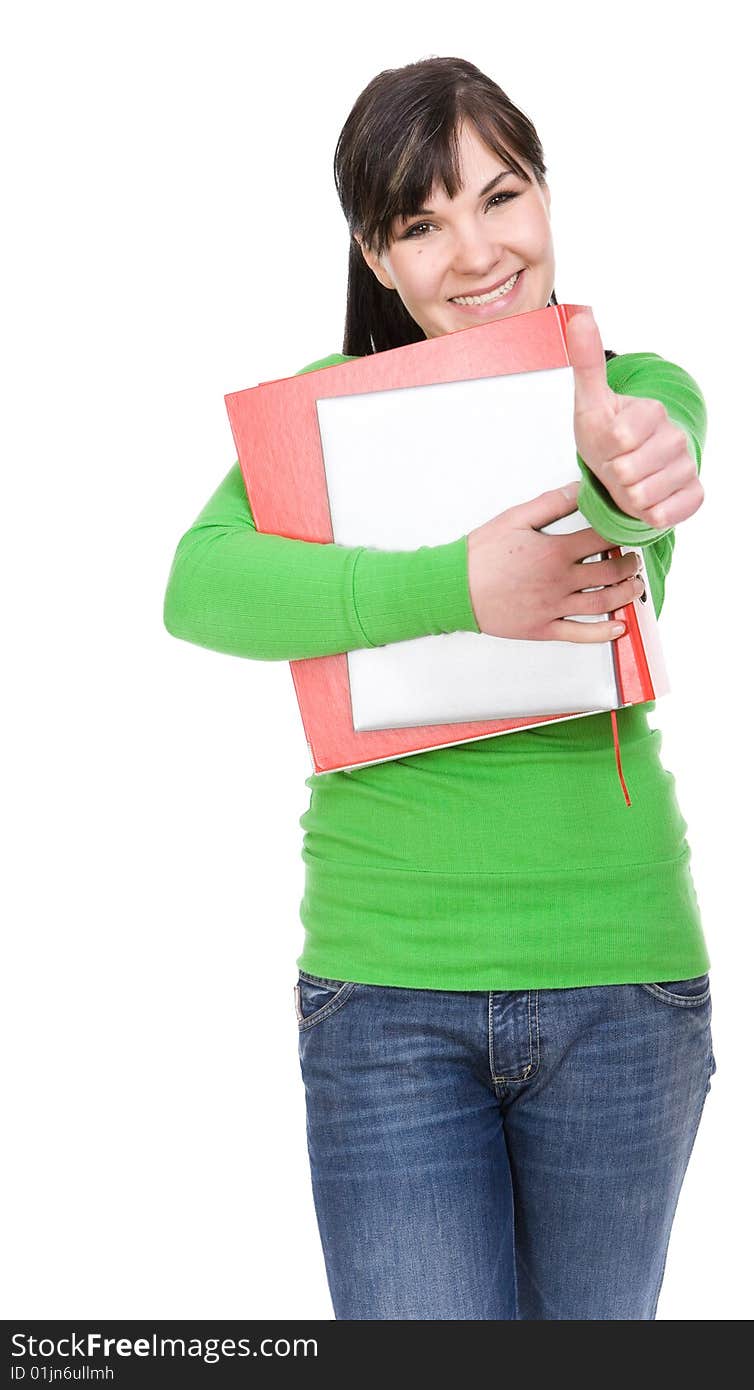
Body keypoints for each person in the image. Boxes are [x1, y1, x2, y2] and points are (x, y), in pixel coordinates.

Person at [163, 55, 717, 1320]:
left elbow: (637, 488)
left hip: (620, 986)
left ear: (547, 202)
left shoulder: (633, 393)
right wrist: (456, 586)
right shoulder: (316, 426)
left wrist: (631, 466)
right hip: (385, 994)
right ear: (377, 255)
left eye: (500, 196)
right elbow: (200, 586)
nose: (475, 250)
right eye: (421, 222)